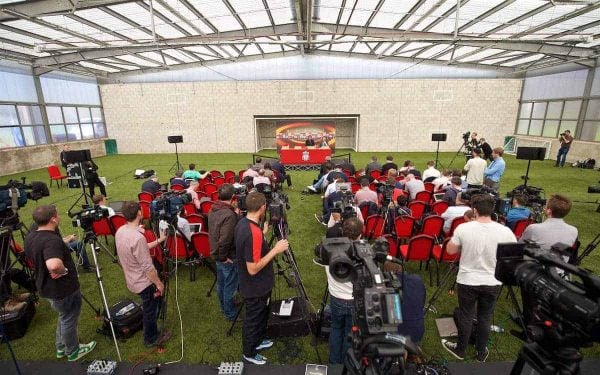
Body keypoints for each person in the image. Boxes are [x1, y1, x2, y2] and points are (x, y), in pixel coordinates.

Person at [441, 195, 517, 362]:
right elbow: (512, 256)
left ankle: (461, 350)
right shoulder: (505, 231)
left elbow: (450, 251)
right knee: (485, 316)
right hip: (491, 281)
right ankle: (480, 352)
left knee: (467, 315)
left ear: (474, 210)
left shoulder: (464, 228)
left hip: (469, 280)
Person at [24, 205, 97, 362]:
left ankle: (61, 347)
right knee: (69, 318)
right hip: (63, 289)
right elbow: (54, 265)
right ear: (53, 219)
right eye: (57, 214)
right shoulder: (51, 240)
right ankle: (73, 351)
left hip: (46, 287)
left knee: (64, 317)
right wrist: (64, 271)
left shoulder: (31, 237)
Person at [235, 192, 289, 365]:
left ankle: (258, 340)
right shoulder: (252, 232)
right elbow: (253, 268)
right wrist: (275, 250)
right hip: (255, 287)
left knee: (260, 317)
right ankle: (249, 352)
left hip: (256, 285)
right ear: (262, 207)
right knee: (253, 320)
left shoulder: (244, 222)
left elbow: (251, 247)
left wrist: (263, 234)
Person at [115, 201, 167, 348]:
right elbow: (147, 267)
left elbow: (140, 248)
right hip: (144, 283)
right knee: (149, 310)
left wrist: (160, 240)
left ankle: (152, 326)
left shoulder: (121, 231)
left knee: (151, 306)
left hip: (132, 279)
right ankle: (151, 338)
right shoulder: (137, 237)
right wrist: (158, 283)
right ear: (139, 213)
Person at [325, 217, 363, 363]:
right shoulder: (364, 253)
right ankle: (344, 363)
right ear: (360, 234)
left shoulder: (329, 250)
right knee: (349, 333)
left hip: (338, 298)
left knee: (337, 328)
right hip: (352, 300)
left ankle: (335, 362)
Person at [208, 184, 239, 321]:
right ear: (233, 197)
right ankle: (230, 313)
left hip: (217, 253)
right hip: (226, 256)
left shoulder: (213, 209)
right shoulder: (229, 215)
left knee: (221, 283)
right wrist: (223, 257)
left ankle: (225, 307)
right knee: (229, 287)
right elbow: (225, 238)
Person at [383, 262, 426, 345]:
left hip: (396, 338)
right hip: (417, 333)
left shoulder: (387, 289)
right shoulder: (417, 280)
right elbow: (422, 303)